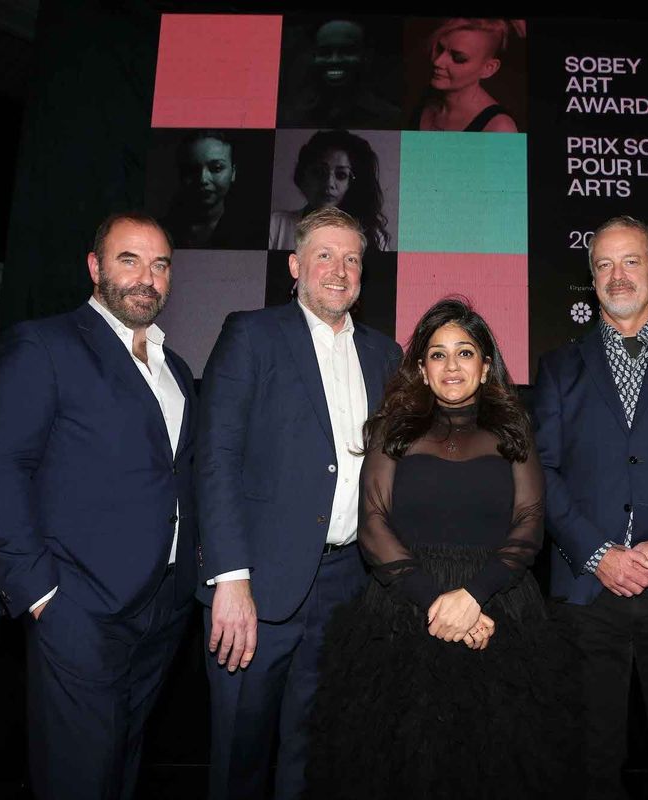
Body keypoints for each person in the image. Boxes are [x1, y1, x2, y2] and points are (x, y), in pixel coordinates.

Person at [306, 296, 577, 799]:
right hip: (402, 612)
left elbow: (529, 524)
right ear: (423, 370)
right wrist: (439, 603)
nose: (452, 365)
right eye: (437, 354)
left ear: (486, 364)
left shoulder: (514, 430)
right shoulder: (394, 431)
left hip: (499, 612)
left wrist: (473, 598)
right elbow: (373, 525)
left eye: (465, 352)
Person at [0, 212, 197, 800]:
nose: (147, 277)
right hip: (78, 608)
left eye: (160, 264)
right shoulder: (42, 345)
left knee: (119, 770)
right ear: (95, 267)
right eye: (129, 260)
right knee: (76, 779)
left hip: (163, 610)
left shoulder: (178, 370)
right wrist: (41, 595)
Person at [196, 206, 402, 800]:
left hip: (347, 588)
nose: (339, 270)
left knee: (314, 762)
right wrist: (230, 581)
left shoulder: (386, 357)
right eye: (324, 256)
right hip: (255, 590)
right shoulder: (251, 334)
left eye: (352, 259)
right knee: (240, 759)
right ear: (295, 265)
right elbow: (216, 459)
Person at [533, 216, 648, 799]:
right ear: (591, 278)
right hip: (588, 597)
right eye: (604, 264)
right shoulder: (560, 366)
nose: (618, 275)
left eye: (631, 261)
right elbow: (542, 471)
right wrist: (598, 553)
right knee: (589, 764)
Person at [269, 129, 390, 252]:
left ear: (352, 183)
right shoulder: (275, 226)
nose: (329, 183)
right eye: (319, 172)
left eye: (341, 175)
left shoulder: (372, 236)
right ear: (303, 176)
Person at [277, 19, 401, 130]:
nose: (334, 60)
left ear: (365, 57)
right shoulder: (291, 117)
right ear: (314, 57)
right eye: (325, 53)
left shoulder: (390, 118)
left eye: (347, 52)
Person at [410, 18, 520, 133]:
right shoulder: (426, 100)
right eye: (439, 49)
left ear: (489, 68)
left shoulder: (499, 128)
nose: (438, 61)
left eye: (458, 58)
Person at [162, 130, 248, 249]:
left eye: (216, 168)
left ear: (233, 172)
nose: (203, 179)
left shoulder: (251, 232)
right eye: (192, 169)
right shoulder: (161, 232)